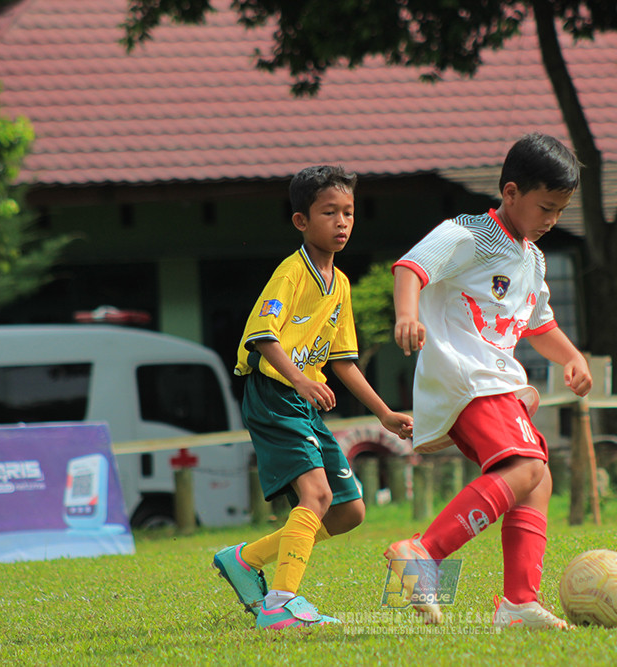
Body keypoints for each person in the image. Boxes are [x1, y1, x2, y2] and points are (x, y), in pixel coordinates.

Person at [387, 132, 592, 630]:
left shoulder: (533, 258)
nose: (551, 220)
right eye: (545, 207)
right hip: (467, 373)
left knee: (536, 481)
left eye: (560, 211)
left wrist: (571, 356)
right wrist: (407, 316)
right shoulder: (469, 233)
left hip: (496, 377)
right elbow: (411, 268)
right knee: (526, 465)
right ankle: (422, 553)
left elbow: (538, 324)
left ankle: (519, 604)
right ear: (511, 192)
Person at [212, 165, 413, 630]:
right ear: (302, 221)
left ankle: (246, 559)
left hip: (301, 401)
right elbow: (264, 336)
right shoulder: (291, 274)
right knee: (316, 494)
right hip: (274, 394)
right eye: (329, 213)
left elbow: (342, 361)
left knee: (348, 511)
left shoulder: (339, 284)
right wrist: (301, 380)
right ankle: (280, 605)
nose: (342, 222)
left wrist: (382, 413)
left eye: (349, 213)